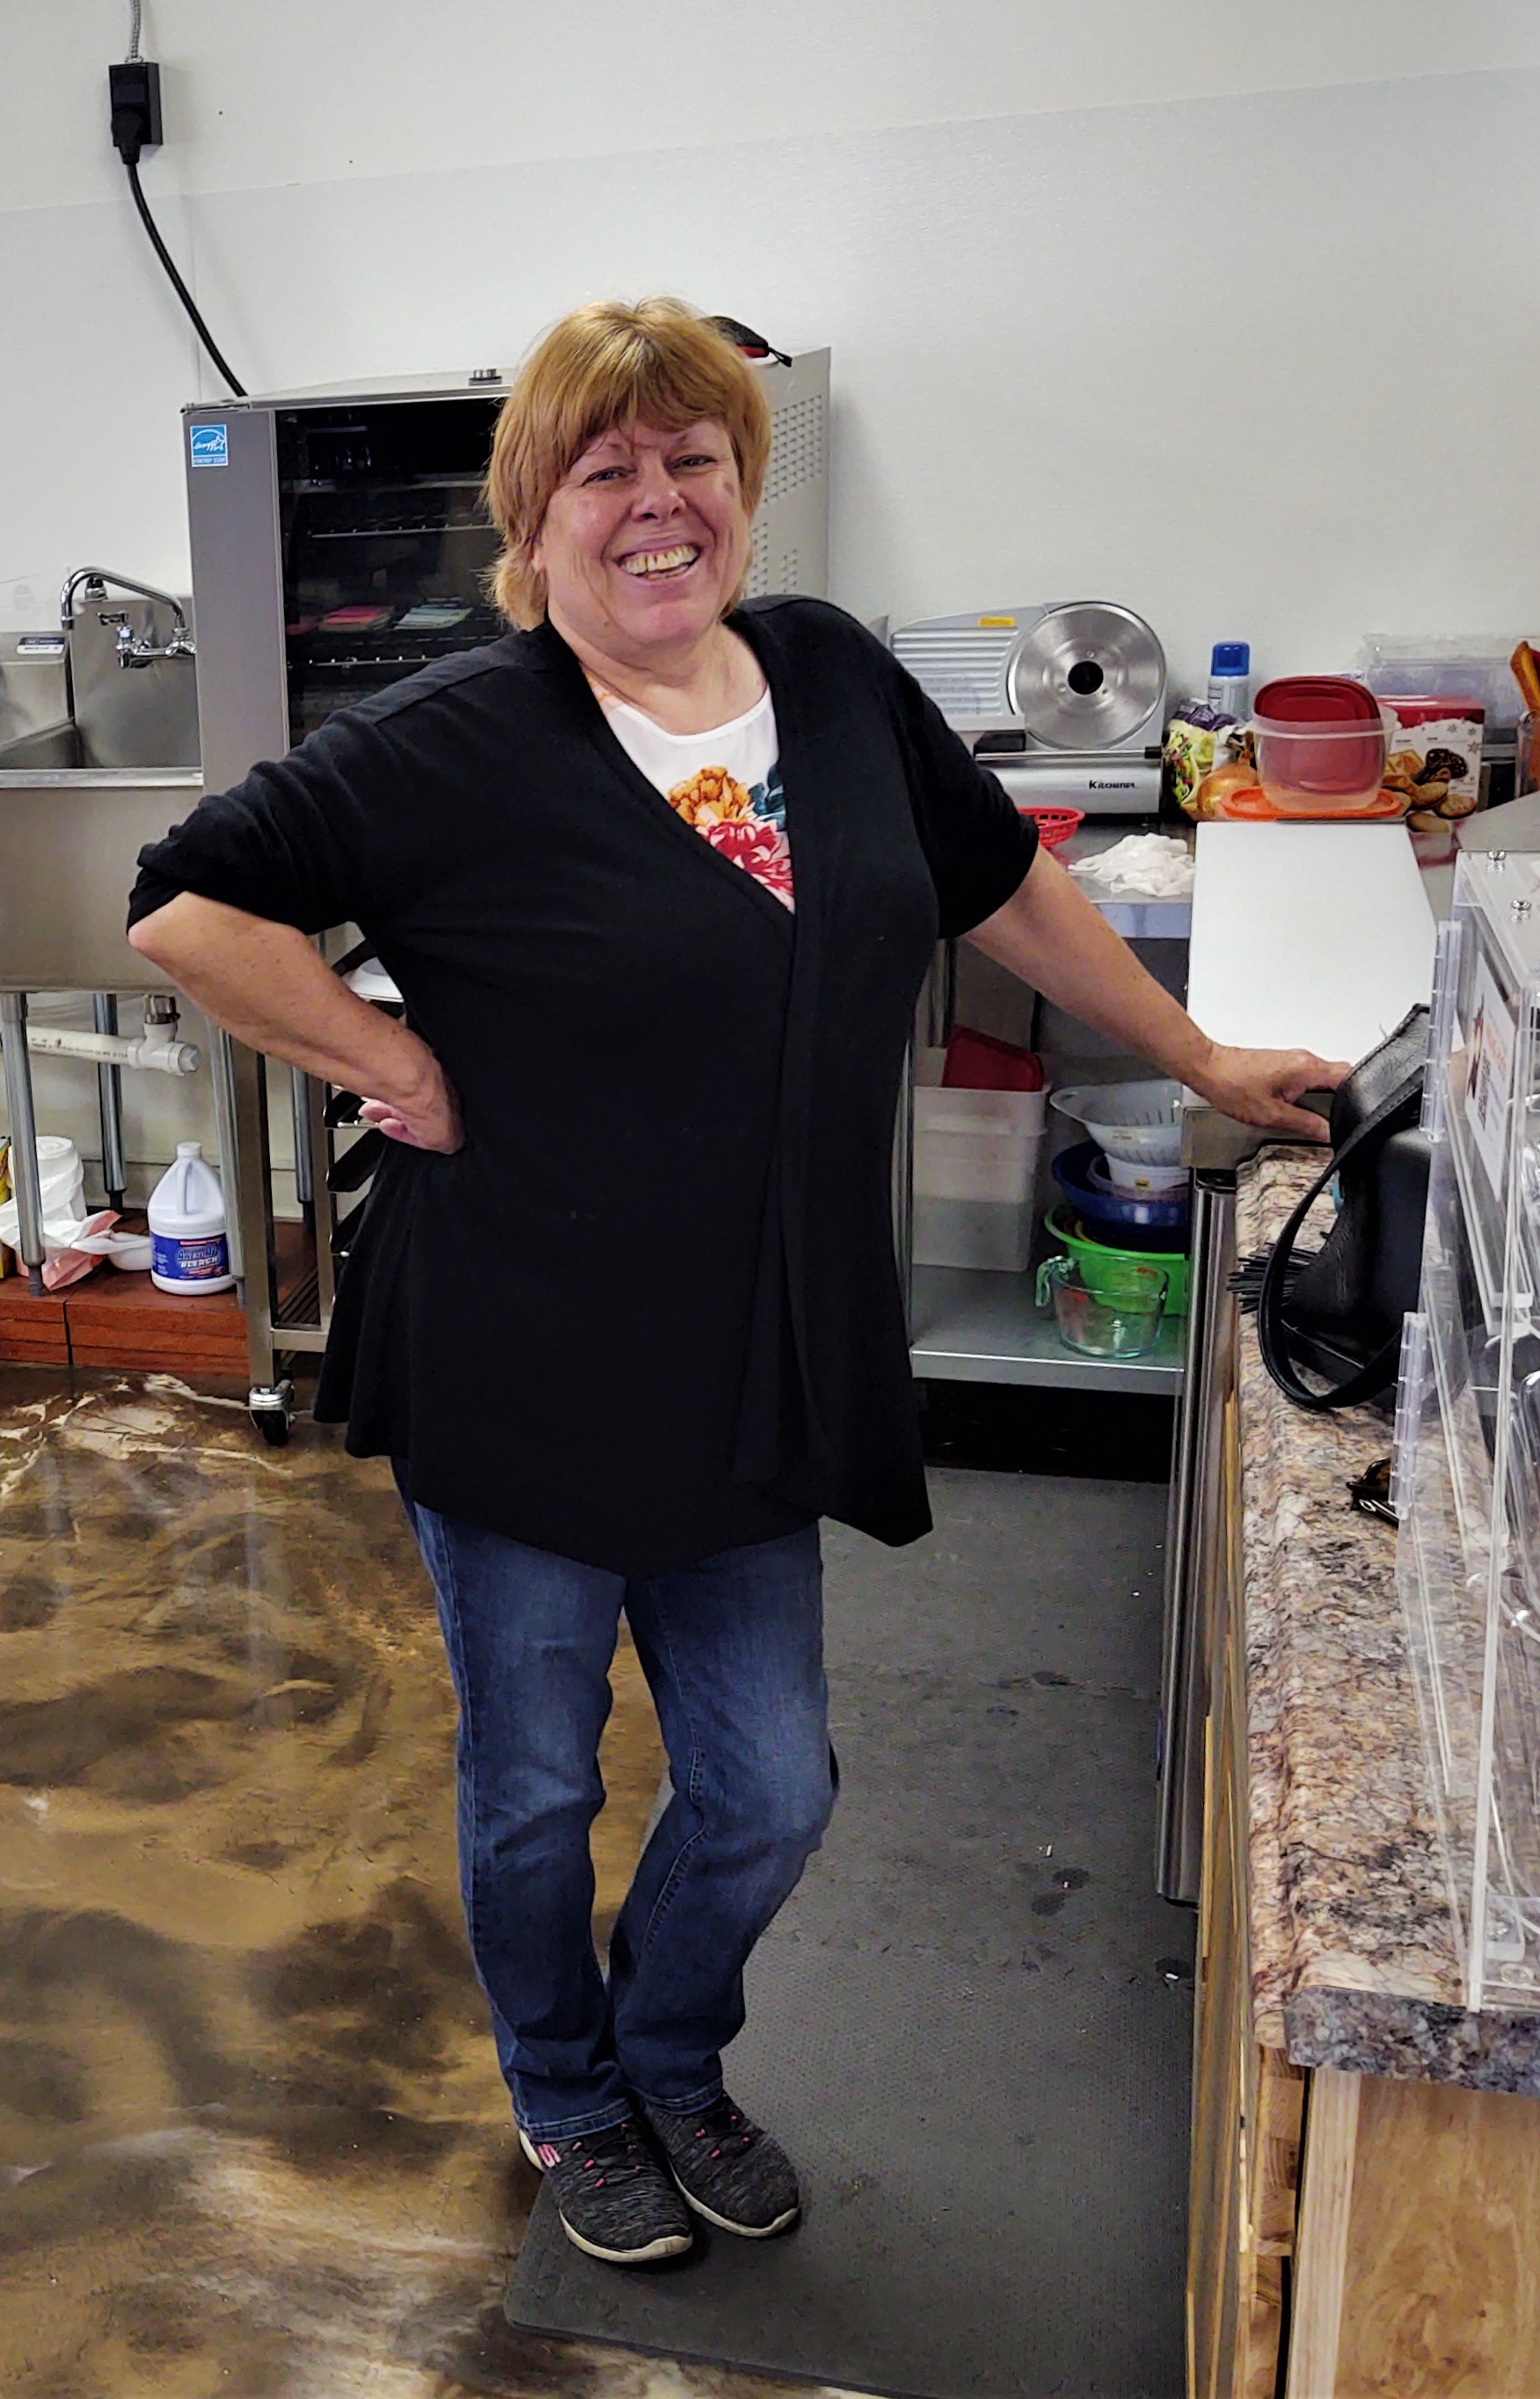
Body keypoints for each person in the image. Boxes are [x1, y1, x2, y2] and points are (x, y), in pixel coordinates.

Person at [126, 298, 1341, 2266]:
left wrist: (1197, 1056)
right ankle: (566, 2087)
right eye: (605, 469)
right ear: (533, 520)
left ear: (744, 492)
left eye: (693, 459)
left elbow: (997, 879)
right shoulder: (458, 735)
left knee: (769, 1787)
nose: (656, 502)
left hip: (758, 1344)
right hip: (522, 1351)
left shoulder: (834, 678)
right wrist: (390, 1059)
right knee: (533, 1785)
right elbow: (189, 907)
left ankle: (669, 2046)